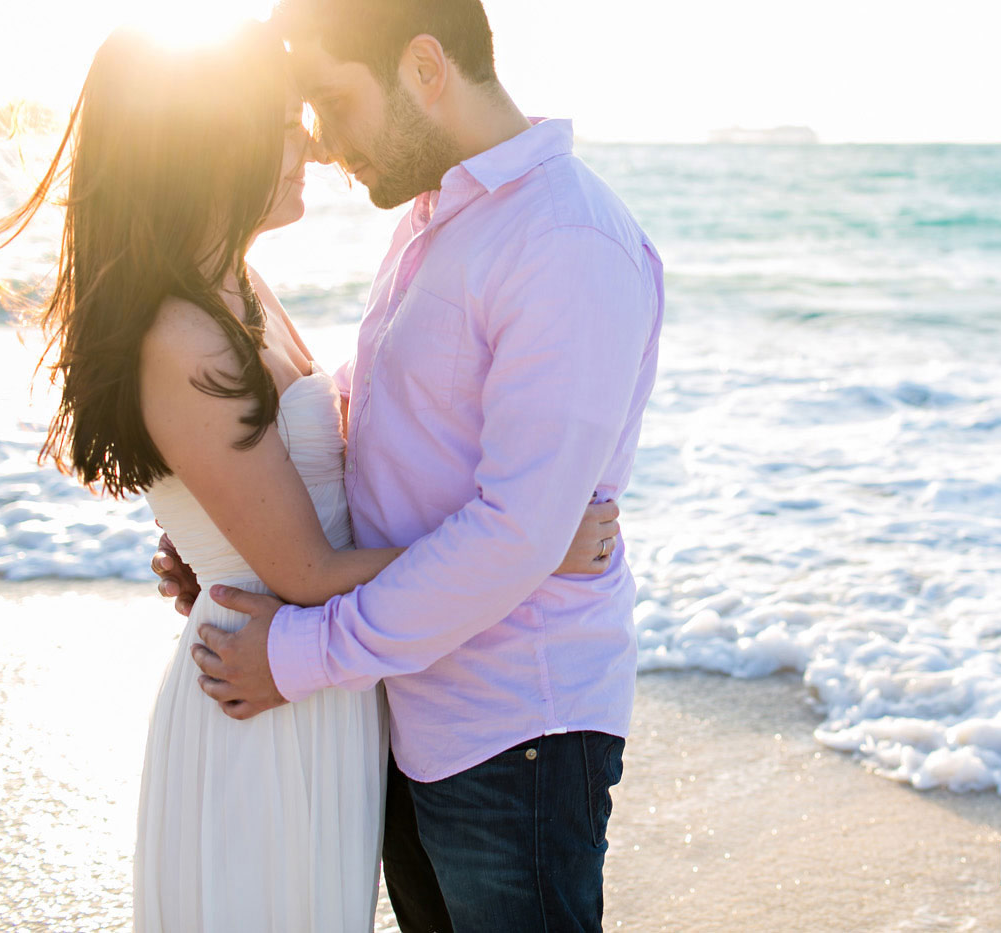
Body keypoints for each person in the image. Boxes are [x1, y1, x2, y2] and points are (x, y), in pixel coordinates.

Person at [0, 19, 621, 933]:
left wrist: (221, 539)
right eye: (289, 122)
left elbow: (326, 459)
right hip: (266, 694)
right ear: (215, 144)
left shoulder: (239, 286)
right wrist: (538, 548)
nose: (313, 145)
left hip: (323, 686)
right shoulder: (187, 329)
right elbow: (307, 570)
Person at [162, 1, 665, 930]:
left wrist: (297, 655)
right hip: (411, 710)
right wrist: (231, 530)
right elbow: (376, 416)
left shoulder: (564, 243)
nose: (317, 140)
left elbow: (517, 533)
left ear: (424, 68)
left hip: (516, 730)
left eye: (330, 100)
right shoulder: (442, 218)